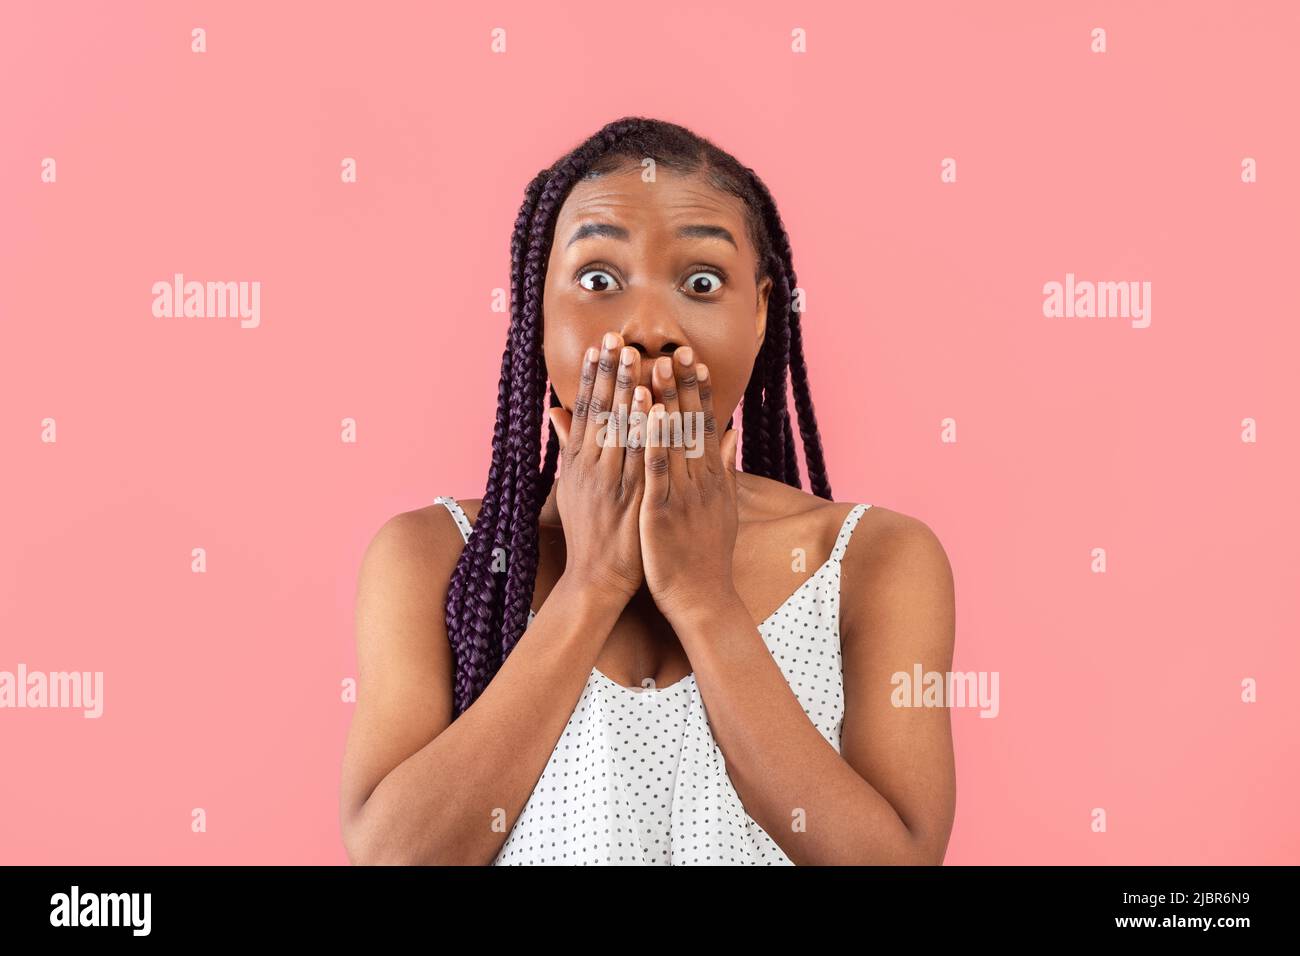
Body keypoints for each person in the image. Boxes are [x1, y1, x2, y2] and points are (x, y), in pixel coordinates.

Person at [340, 116, 956, 865]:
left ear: (761, 313)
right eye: (598, 279)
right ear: (537, 311)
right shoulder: (434, 558)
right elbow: (394, 857)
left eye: (702, 281)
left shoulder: (873, 560)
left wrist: (703, 599)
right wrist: (592, 583)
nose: (650, 327)